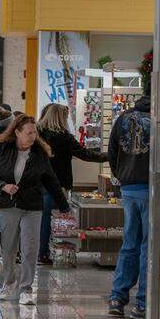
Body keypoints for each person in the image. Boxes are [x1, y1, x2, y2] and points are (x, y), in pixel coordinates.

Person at [0, 113, 69, 306]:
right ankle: (9, 282)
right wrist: (3, 185)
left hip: (32, 206)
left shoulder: (39, 153)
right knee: (8, 249)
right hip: (8, 205)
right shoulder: (3, 149)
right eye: (29, 133)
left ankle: (26, 288)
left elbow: (51, 180)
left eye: (34, 132)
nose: (33, 136)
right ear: (17, 132)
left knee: (30, 248)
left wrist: (63, 205)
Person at [36, 103, 107, 264]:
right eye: (65, 117)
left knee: (42, 218)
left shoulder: (37, 134)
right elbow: (84, 154)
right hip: (58, 183)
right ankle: (45, 252)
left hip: (38, 182)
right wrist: (107, 156)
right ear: (60, 117)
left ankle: (41, 251)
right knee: (52, 218)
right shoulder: (64, 137)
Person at [107, 94, 152, 319]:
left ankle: (117, 297)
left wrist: (120, 176)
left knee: (129, 243)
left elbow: (112, 151)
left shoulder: (122, 119)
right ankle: (142, 302)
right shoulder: (158, 120)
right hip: (151, 189)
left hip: (128, 189)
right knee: (147, 246)